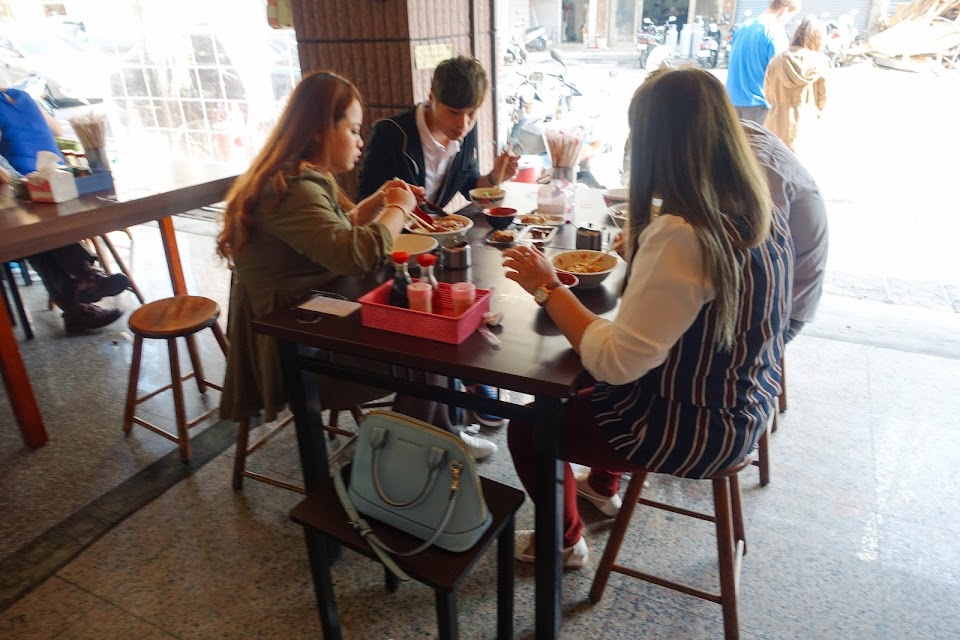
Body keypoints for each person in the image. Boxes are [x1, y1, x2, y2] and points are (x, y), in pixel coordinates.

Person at [503, 67, 793, 567]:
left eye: (638, 130)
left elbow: (618, 364)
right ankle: (602, 486)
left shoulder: (683, 234)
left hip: (697, 429)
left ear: (663, 142)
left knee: (529, 427)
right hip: (744, 403)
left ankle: (564, 542)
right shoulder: (756, 205)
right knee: (578, 380)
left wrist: (547, 286)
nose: (633, 143)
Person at [216, 71, 496, 460]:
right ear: (319, 131)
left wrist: (379, 200)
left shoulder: (304, 177)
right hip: (296, 346)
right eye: (352, 129)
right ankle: (401, 466)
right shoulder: (290, 189)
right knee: (427, 351)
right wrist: (398, 207)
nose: (360, 140)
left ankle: (440, 439)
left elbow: (339, 233)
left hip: (314, 316)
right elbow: (354, 253)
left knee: (429, 333)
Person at [357, 55, 519, 429]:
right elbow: (368, 208)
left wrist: (495, 175)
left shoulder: (464, 130)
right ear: (430, 97)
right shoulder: (391, 135)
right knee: (451, 298)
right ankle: (462, 387)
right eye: (453, 112)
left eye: (471, 113)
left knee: (479, 284)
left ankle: (468, 381)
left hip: (437, 246)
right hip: (395, 256)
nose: (462, 124)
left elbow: (467, 186)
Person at [0, 87, 130, 333]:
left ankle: (77, 301)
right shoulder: (22, 96)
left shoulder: (22, 97)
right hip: (41, 185)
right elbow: (55, 130)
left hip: (41, 185)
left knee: (40, 235)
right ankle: (85, 278)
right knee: (39, 236)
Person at [742, 118, 828, 341]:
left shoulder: (760, 167)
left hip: (784, 312)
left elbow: (751, 259)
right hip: (765, 294)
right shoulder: (737, 138)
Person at [763, 15, 829, 156]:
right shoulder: (820, 62)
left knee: (774, 167)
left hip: (775, 123)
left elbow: (768, 96)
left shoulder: (776, 60)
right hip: (804, 125)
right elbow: (823, 99)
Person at [726, 0, 801, 125]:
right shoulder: (775, 31)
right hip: (758, 105)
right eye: (791, 16)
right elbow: (781, 72)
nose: (789, 20)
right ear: (784, 10)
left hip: (732, 100)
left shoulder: (744, 26)